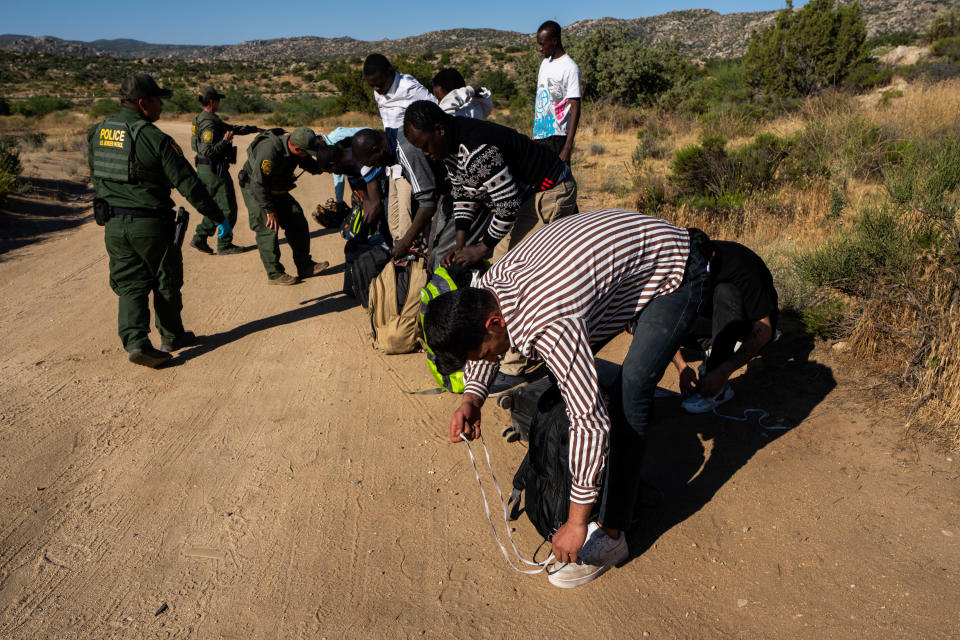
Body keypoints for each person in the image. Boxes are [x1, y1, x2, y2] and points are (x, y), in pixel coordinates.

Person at [422, 209, 709, 588]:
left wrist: (576, 524)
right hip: (632, 256)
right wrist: (472, 399)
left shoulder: (549, 322)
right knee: (576, 382)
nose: (491, 362)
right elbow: (493, 346)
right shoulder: (489, 288)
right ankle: (597, 491)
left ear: (493, 322)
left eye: (484, 353)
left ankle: (611, 534)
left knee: (629, 398)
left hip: (677, 268)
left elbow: (590, 421)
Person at [404, 99, 578, 393]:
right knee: (500, 273)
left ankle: (514, 366)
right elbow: (463, 195)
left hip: (548, 192)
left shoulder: (476, 150)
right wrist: (461, 245)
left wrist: (482, 247)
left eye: (425, 145)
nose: (425, 153)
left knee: (525, 275)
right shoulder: (449, 149)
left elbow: (507, 205)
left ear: (439, 129)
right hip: (522, 198)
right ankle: (509, 352)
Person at [87, 73, 227, 368]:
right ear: (142, 103)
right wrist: (216, 216)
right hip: (150, 224)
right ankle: (171, 336)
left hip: (113, 224)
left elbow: (96, 174)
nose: (161, 106)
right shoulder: (154, 138)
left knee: (130, 284)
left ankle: (137, 343)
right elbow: (189, 184)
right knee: (166, 280)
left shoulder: (97, 131)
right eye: (157, 100)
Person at [671, 240, 779, 413]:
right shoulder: (681, 263)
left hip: (748, 322)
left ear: (710, 259)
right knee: (668, 313)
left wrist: (723, 370)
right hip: (713, 318)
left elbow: (765, 329)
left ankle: (718, 389)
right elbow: (665, 320)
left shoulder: (741, 267)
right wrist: (682, 366)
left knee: (725, 292)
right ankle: (719, 345)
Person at [238, 127, 330, 285]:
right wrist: (269, 210)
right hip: (256, 188)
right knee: (268, 227)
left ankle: (305, 266)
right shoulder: (270, 151)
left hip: (275, 186)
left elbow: (311, 165)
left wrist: (330, 164)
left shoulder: (296, 148)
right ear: (296, 148)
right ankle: (275, 273)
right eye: (307, 151)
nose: (309, 154)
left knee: (297, 220)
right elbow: (258, 184)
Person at [363, 54, 437, 247]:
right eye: (372, 86)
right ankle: (398, 250)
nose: (377, 89)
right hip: (392, 162)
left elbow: (435, 115)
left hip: (411, 158)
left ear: (390, 72)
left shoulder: (410, 88)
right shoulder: (378, 91)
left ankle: (410, 254)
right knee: (393, 214)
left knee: (406, 214)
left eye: (379, 83)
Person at [351, 128, 446, 263]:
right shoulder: (397, 141)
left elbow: (427, 205)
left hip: (461, 188)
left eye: (374, 163)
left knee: (439, 253)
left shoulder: (405, 150)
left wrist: (405, 243)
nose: (377, 167)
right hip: (446, 189)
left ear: (378, 149)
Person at [188, 86, 262, 256]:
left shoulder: (200, 119)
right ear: (212, 102)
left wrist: (252, 129)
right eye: (218, 100)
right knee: (228, 207)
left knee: (215, 206)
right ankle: (224, 243)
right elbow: (207, 150)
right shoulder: (209, 123)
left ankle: (200, 236)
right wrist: (224, 142)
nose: (220, 103)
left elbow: (229, 128)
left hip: (204, 169)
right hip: (214, 170)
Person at [533, 20, 581, 164]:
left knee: (558, 183)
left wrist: (567, 148)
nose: (540, 48)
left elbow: (576, 108)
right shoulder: (544, 64)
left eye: (542, 43)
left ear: (554, 41)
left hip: (557, 138)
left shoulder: (570, 68)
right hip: (539, 135)